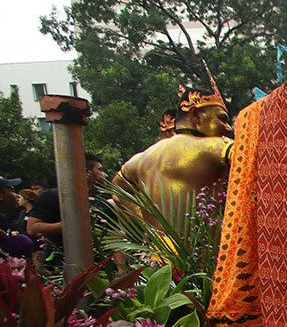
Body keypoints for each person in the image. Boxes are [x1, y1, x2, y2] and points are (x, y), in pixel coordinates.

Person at [115, 86, 232, 230]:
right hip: (194, 245)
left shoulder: (142, 158)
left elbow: (117, 187)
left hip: (155, 244)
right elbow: (251, 158)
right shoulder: (212, 147)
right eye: (221, 119)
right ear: (195, 114)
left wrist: (146, 222)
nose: (228, 128)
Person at [27, 154, 108, 269]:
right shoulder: (53, 197)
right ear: (87, 172)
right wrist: (72, 224)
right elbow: (33, 228)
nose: (105, 175)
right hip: (63, 268)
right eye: (100, 170)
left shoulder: (101, 202)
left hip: (101, 268)